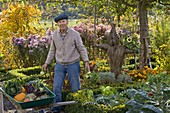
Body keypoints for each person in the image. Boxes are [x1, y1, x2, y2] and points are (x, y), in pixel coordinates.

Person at [42, 13, 90, 113]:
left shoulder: (75, 34)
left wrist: (86, 61)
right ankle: (56, 109)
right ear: (57, 24)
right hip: (59, 64)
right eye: (60, 22)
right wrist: (47, 63)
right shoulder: (54, 35)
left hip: (73, 63)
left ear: (67, 22)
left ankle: (77, 108)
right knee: (56, 87)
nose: (62, 23)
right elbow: (52, 51)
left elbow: (81, 48)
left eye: (63, 21)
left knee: (75, 88)